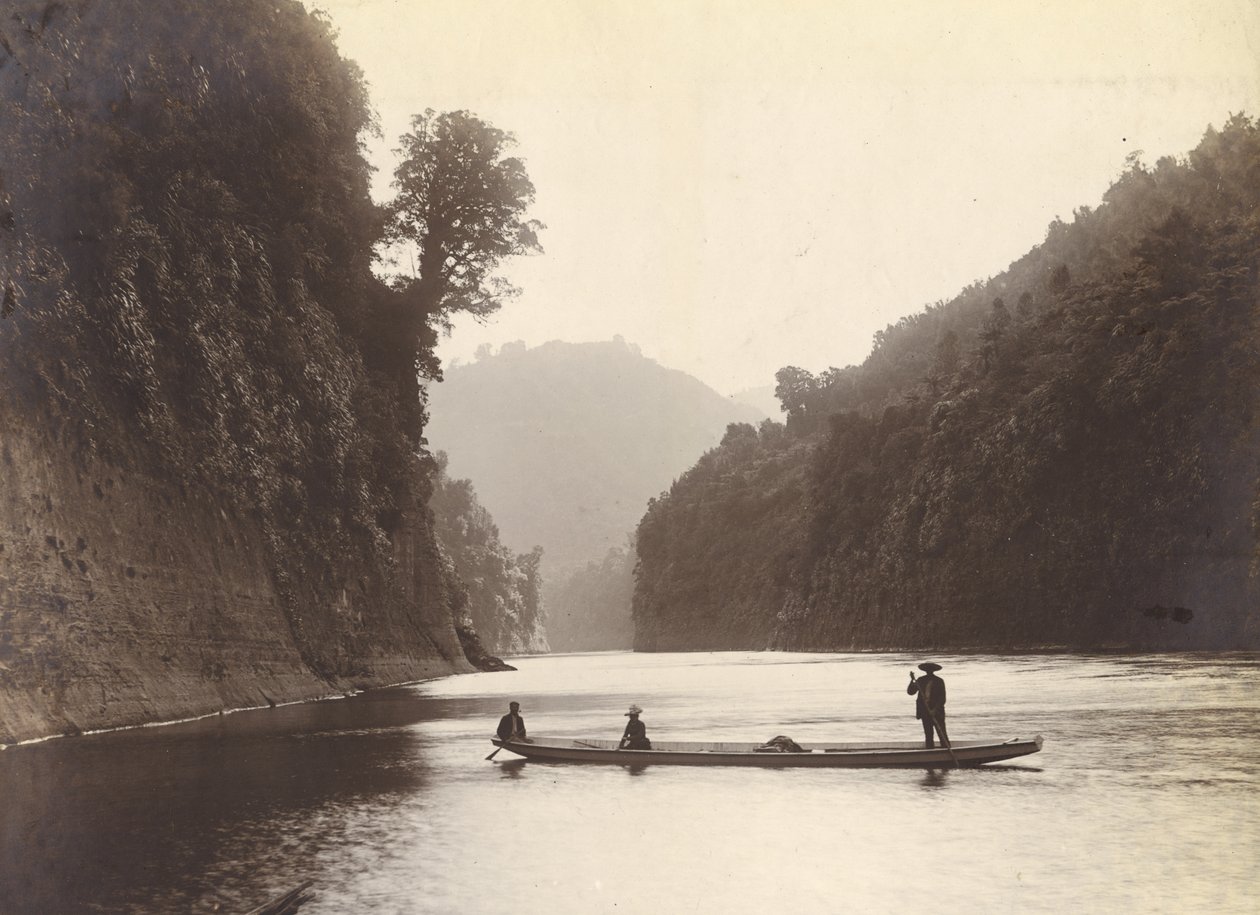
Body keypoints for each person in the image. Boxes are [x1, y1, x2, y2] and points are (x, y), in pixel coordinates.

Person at [907, 663, 950, 749]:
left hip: (938, 712)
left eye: (930, 670)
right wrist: (912, 680)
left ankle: (946, 750)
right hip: (924, 711)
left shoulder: (939, 681)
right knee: (928, 734)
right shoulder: (921, 680)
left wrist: (935, 710)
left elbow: (942, 698)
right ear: (925, 671)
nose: (929, 671)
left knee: (941, 733)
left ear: (933, 671)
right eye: (927, 670)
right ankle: (930, 751)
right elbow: (911, 692)